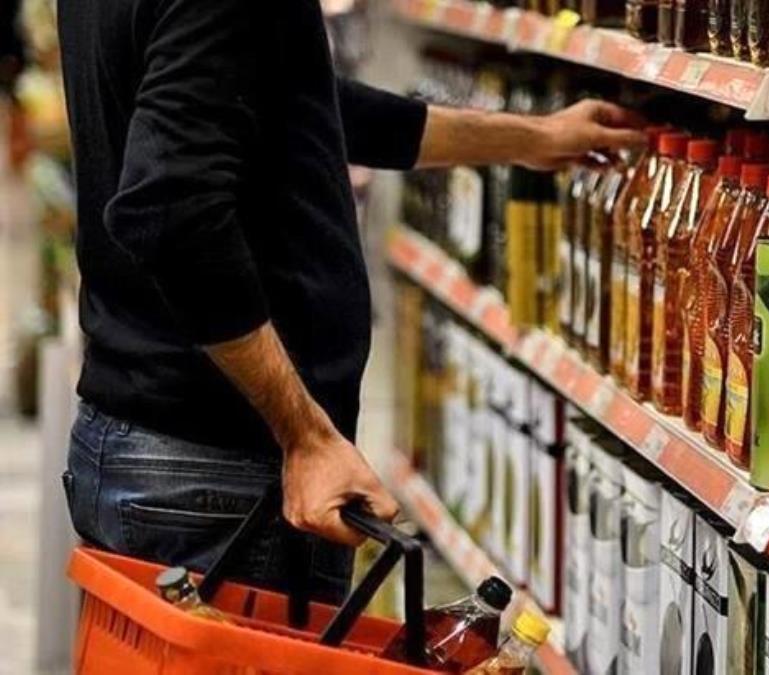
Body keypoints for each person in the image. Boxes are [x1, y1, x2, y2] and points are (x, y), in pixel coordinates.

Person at [56, 0, 645, 598]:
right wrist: (307, 438)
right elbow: (172, 216)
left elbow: (295, 101)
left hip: (139, 441)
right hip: (221, 474)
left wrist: (531, 138)